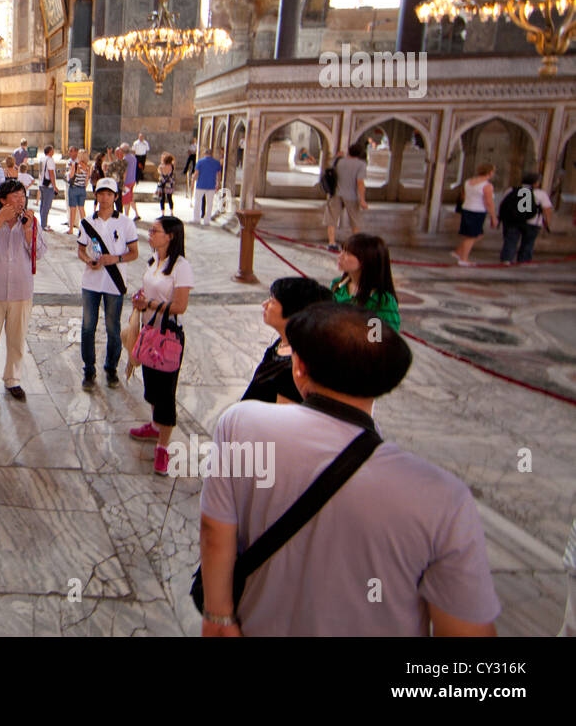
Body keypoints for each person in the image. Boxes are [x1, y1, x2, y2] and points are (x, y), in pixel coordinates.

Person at [198, 303, 500, 636]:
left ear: (298, 366)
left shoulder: (242, 423)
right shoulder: (443, 499)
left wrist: (218, 617)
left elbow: (215, 532)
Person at [125, 216, 193, 473]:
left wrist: (149, 305)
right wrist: (141, 299)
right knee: (152, 386)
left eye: (155, 231)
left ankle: (163, 448)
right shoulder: (155, 261)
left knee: (165, 393)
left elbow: (180, 306)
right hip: (150, 330)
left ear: (171, 236)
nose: (150, 234)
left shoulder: (181, 266)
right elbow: (151, 291)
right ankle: (154, 426)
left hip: (167, 335)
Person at [0, 179, 45, 405]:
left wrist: (27, 231)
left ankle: (13, 379)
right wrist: (0, 221)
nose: (20, 200)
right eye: (14, 196)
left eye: (22, 196)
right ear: (3, 200)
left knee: (17, 339)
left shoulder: (31, 222)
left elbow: (40, 252)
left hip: (21, 291)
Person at [79, 177, 140, 391]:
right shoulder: (88, 221)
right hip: (91, 282)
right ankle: (88, 369)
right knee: (88, 327)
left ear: (115, 197)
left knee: (113, 327)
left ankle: (111, 367)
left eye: (109, 194)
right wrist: (89, 260)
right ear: (96, 196)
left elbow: (134, 253)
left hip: (114, 283)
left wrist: (116, 259)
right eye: (101, 194)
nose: (104, 198)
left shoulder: (125, 222)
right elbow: (81, 249)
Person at [240, 277, 334, 405]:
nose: (264, 304)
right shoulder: (283, 342)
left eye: (272, 301)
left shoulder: (295, 368)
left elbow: (281, 418)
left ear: (293, 312)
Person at [331, 233, 400, 332]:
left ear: (366, 260)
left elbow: (382, 341)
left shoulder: (382, 301)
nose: (340, 256)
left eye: (348, 253)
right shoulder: (337, 286)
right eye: (342, 250)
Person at [498, 171, 553, 264]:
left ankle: (506, 259)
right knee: (528, 242)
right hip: (532, 222)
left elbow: (504, 204)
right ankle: (524, 261)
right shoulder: (541, 194)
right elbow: (547, 209)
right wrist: (547, 222)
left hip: (513, 220)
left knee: (511, 240)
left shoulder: (512, 190)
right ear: (535, 183)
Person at [324, 142, 369, 251]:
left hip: (336, 194)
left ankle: (331, 242)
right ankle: (354, 245)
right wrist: (362, 200)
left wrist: (337, 156)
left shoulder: (339, 161)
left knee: (332, 219)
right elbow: (360, 183)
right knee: (355, 221)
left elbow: (329, 165)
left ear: (349, 151)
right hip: (351, 196)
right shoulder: (361, 165)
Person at [451, 162, 498, 266]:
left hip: (467, 209)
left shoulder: (468, 182)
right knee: (471, 236)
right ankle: (463, 259)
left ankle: (458, 252)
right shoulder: (487, 186)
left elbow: (463, 196)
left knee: (478, 234)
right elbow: (489, 202)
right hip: (477, 211)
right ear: (490, 173)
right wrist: (493, 217)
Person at [192, 150, 222, 226]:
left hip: (201, 184)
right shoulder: (216, 163)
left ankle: (196, 219)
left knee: (197, 202)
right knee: (209, 204)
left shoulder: (200, 162)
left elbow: (196, 173)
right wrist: (218, 184)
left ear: (204, 154)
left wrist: (193, 182)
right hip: (211, 185)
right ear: (211, 154)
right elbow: (219, 175)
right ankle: (206, 221)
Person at [66, 149, 89, 234]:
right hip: (82, 189)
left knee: (73, 209)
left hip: (74, 188)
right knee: (82, 209)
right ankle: (86, 228)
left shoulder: (75, 165)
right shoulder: (87, 167)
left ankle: (71, 229)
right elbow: (86, 181)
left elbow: (71, 175)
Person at [37, 145, 58, 230]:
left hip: (41, 183)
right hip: (48, 185)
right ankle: (44, 224)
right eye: (52, 150)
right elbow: (51, 173)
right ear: (50, 151)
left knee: (43, 205)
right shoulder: (50, 160)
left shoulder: (42, 159)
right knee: (47, 205)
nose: (53, 152)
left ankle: (43, 223)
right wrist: (54, 186)